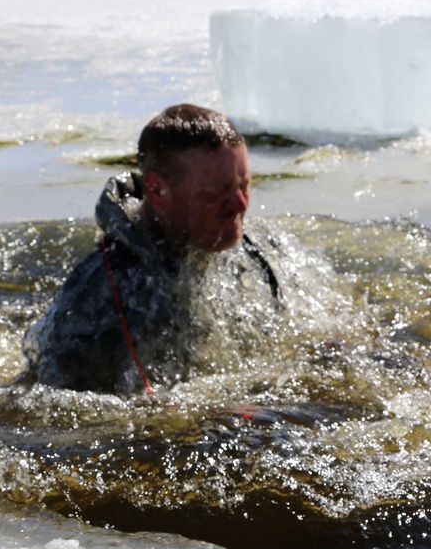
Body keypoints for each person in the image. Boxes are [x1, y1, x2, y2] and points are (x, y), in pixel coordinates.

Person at [22, 104, 282, 393]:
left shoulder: (254, 251)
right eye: (214, 193)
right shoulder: (103, 294)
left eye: (243, 185)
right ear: (157, 190)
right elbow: (62, 406)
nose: (240, 206)